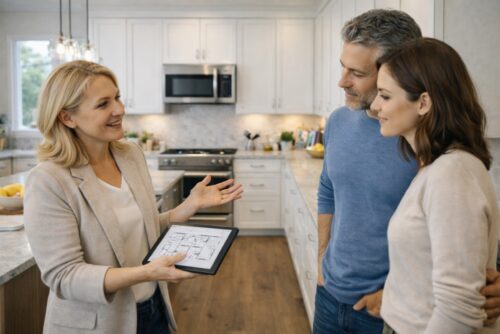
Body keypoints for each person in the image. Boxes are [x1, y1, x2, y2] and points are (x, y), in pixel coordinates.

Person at [315, 9, 500, 334]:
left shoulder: (437, 155)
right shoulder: (340, 122)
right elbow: (328, 189)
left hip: (389, 312)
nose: (342, 81)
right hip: (330, 294)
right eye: (342, 67)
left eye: (357, 72)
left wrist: (395, 295)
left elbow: (465, 247)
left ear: (398, 68)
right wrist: (321, 260)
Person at [24, 60, 243, 334]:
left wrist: (187, 208)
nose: (120, 109)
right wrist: (146, 272)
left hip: (154, 307)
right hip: (99, 323)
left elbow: (137, 230)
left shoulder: (129, 154)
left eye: (117, 97)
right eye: (103, 104)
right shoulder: (48, 180)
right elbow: (64, 276)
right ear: (68, 117)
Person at [372, 37, 500, 334]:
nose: (376, 106)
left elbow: (457, 311)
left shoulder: (452, 173)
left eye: (385, 96)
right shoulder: (436, 167)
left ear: (424, 102)